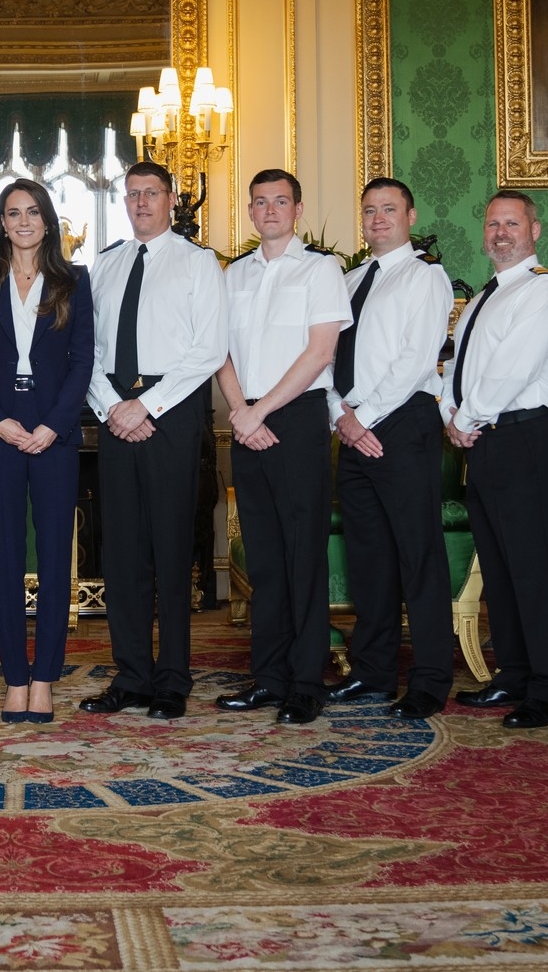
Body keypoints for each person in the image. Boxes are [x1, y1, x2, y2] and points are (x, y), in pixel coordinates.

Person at [79, 161, 227, 721]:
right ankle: (132, 675)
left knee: (170, 550)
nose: (142, 202)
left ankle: (173, 678)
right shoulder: (106, 264)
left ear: (170, 199)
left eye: (152, 193)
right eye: (133, 194)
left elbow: (208, 348)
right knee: (122, 554)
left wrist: (148, 405)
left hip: (171, 415)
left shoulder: (197, 262)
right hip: (116, 415)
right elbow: (88, 348)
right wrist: (112, 406)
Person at [214, 170, 350, 726]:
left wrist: (260, 410)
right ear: (250, 212)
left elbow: (321, 351)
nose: (270, 210)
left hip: (294, 420)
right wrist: (242, 412)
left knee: (302, 558)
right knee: (265, 561)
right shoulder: (233, 275)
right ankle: (267, 679)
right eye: (260, 202)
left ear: (297, 209)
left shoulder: (321, 269)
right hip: (246, 418)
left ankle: (305, 683)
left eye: (281, 201)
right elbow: (215, 351)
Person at [0, 179, 95, 724]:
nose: (22, 221)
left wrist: (53, 425)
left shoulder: (72, 281)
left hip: (54, 435)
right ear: (2, 222)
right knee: (6, 560)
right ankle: (15, 678)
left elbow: (83, 360)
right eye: (12, 213)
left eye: (32, 212)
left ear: (48, 221)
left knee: (57, 559)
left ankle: (45, 681)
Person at [325, 177, 455, 721]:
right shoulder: (349, 280)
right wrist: (340, 416)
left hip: (401, 425)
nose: (378, 218)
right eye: (370, 210)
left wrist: (363, 419)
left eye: (389, 209)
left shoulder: (426, 275)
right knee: (369, 559)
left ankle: (429, 680)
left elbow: (416, 358)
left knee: (416, 556)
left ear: (410, 214)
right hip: (353, 428)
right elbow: (326, 356)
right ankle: (372, 673)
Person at [444, 189, 548, 729]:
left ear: (534, 231)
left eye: (512, 223)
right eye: (493, 223)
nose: (500, 233)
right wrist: (454, 409)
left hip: (524, 438)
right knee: (499, 566)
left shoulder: (542, 291)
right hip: (487, 440)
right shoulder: (483, 297)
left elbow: (510, 370)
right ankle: (514, 674)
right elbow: (459, 366)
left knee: (535, 568)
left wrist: (466, 417)